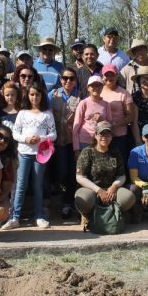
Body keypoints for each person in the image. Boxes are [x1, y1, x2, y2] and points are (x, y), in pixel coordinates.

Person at [3, 81, 57, 229]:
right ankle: (15, 217)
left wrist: (42, 139)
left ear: (42, 96)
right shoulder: (22, 113)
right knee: (21, 185)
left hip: (41, 154)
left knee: (38, 185)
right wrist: (26, 139)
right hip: (24, 153)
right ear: (27, 95)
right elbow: (15, 133)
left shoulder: (47, 114)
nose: (35, 97)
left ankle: (38, 216)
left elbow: (53, 135)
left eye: (37, 94)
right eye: (32, 94)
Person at [74, 120, 136, 228]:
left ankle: (113, 213)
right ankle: (87, 214)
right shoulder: (87, 152)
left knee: (128, 197)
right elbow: (80, 177)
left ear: (112, 137)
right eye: (101, 134)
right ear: (96, 135)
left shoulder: (115, 152)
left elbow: (121, 175)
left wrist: (114, 186)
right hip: (92, 190)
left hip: (110, 190)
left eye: (108, 134)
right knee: (83, 198)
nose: (104, 137)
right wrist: (98, 190)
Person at [48, 67, 80, 218]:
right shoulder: (52, 95)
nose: (68, 81)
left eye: (71, 78)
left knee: (71, 173)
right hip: (55, 141)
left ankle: (68, 204)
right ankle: (56, 199)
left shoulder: (80, 97)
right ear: (60, 79)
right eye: (65, 78)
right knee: (60, 172)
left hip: (73, 142)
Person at [100, 64, 133, 159]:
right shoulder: (98, 91)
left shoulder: (124, 93)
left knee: (119, 163)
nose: (109, 78)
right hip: (102, 136)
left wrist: (114, 124)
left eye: (112, 75)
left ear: (117, 76)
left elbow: (130, 116)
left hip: (119, 136)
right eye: (107, 75)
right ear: (102, 76)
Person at [73, 76, 111, 155]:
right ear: (88, 88)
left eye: (98, 85)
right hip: (84, 141)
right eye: (93, 85)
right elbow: (75, 128)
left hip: (100, 142)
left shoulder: (106, 104)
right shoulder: (83, 103)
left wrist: (102, 120)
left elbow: (110, 125)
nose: (96, 88)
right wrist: (76, 149)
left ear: (102, 87)